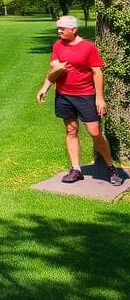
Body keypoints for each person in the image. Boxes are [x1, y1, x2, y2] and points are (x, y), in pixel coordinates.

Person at [37, 15, 123, 186]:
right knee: (71, 131)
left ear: (74, 30)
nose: (59, 31)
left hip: (85, 95)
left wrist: (100, 98)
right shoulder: (57, 45)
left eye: (62, 28)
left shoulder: (88, 47)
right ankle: (76, 169)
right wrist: (45, 87)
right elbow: (54, 69)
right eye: (58, 28)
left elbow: (97, 72)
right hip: (64, 96)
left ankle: (111, 167)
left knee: (95, 132)